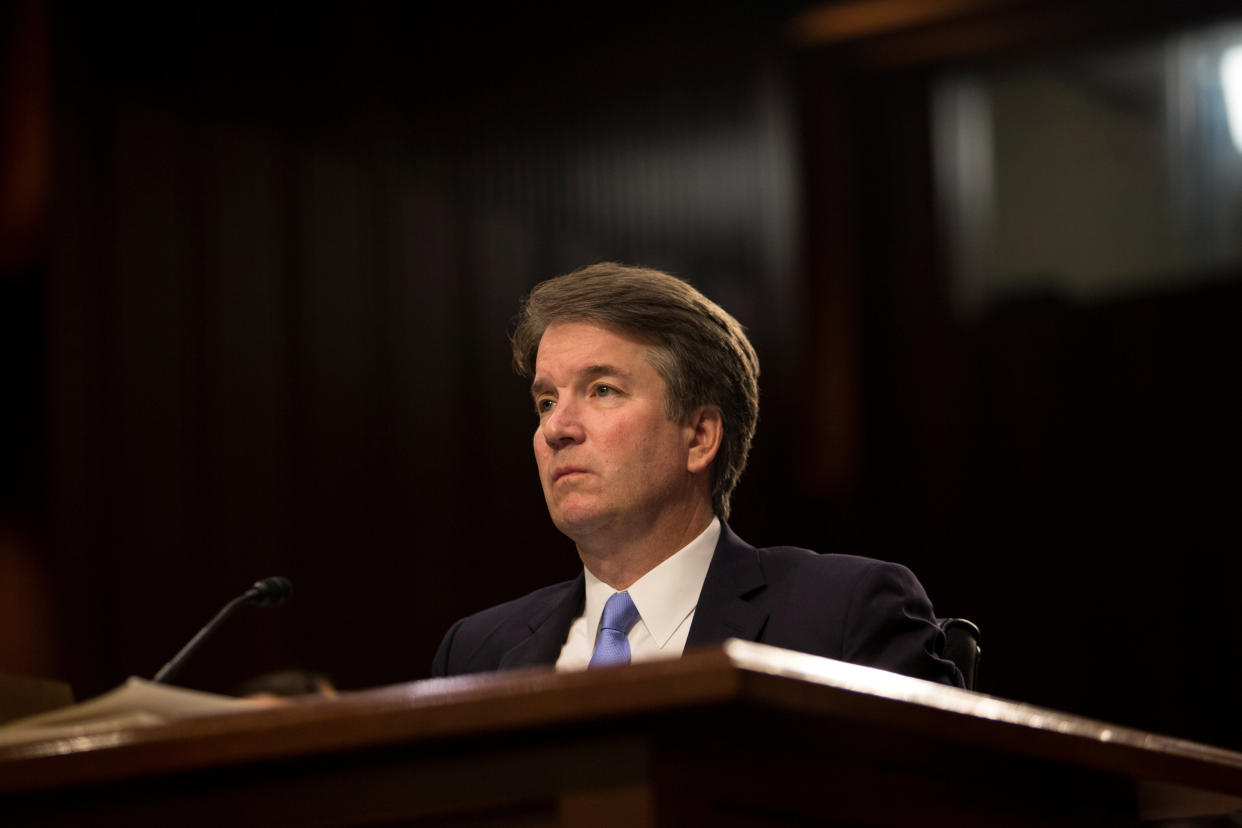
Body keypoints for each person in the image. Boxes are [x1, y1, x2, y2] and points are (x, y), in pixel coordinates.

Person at [432, 263, 963, 686]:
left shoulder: (841, 616)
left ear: (700, 437)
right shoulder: (478, 652)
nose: (557, 429)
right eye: (546, 402)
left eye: (602, 391)